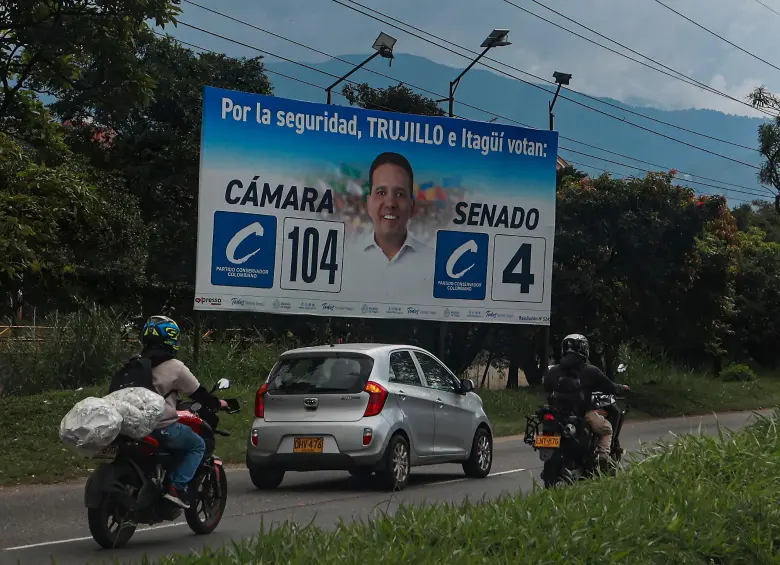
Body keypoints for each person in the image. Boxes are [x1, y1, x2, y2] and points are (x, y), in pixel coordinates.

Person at [141, 315, 228, 509]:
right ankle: (176, 487)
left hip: (134, 426)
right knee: (197, 445)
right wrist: (218, 403)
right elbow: (199, 394)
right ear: (171, 339)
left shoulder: (136, 363)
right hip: (160, 425)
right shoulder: (175, 367)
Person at [341, 152, 434, 298]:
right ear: (369, 203)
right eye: (381, 192)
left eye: (399, 194)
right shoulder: (346, 261)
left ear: (412, 206)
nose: (390, 203)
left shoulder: (433, 263)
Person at [543, 333, 629, 469]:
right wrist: (622, 388)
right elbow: (610, 387)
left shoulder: (553, 371)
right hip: (580, 414)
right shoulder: (590, 370)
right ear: (584, 349)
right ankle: (603, 458)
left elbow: (546, 388)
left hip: (557, 415)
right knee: (606, 429)